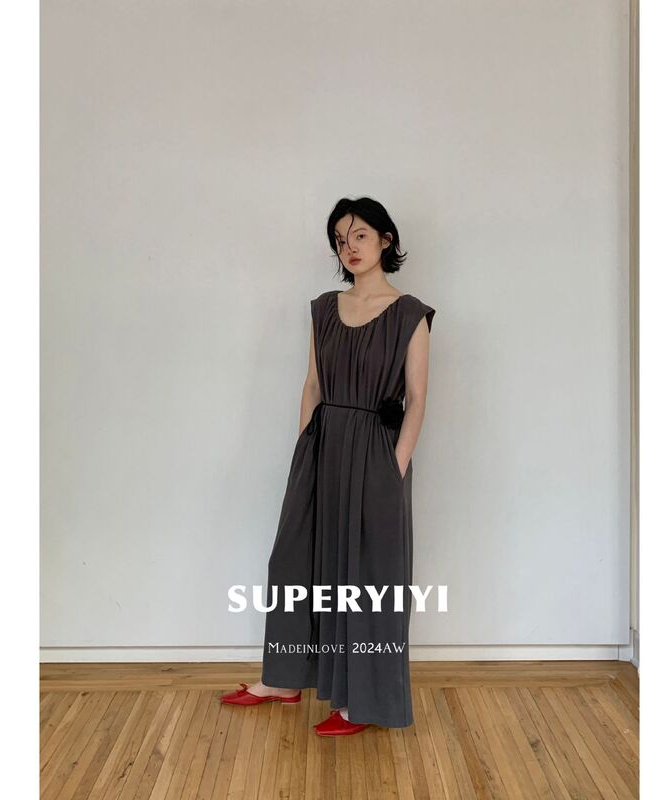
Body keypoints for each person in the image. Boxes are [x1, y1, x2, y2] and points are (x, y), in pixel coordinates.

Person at [221, 197, 436, 736]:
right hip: (321, 447)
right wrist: (304, 451)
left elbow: (416, 399)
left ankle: (359, 701)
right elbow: (313, 384)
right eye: (341, 239)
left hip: (376, 456)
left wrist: (395, 468)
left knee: (366, 577)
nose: (349, 247)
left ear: (386, 239)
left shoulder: (410, 315)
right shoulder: (323, 309)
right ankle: (284, 678)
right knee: (294, 563)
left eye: (360, 235)